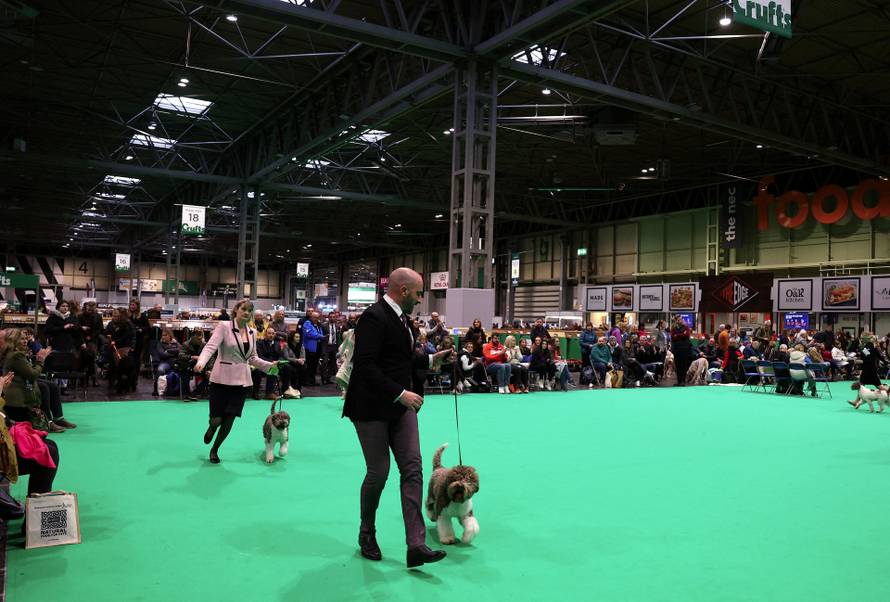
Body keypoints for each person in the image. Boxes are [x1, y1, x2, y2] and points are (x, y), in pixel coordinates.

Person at [341, 267, 452, 569]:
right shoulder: (373, 317)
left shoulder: (403, 320)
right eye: (418, 294)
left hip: (401, 409)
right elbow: (365, 366)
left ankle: (416, 545)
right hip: (370, 408)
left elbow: (399, 358)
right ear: (403, 291)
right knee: (378, 472)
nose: (419, 300)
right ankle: (367, 532)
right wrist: (400, 393)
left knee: (413, 469)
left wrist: (431, 358)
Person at [195, 299, 281, 464]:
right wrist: (201, 362)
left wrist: (270, 366)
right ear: (236, 310)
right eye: (244, 309)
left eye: (250, 310)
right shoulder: (224, 326)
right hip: (220, 379)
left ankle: (215, 450)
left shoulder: (252, 333)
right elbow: (210, 347)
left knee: (229, 419)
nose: (247, 313)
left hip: (241, 382)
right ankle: (212, 427)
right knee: (217, 420)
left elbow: (252, 357)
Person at [78, 300, 104, 386]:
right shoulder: (80, 316)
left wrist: (91, 336)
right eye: (88, 310)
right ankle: (82, 379)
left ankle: (94, 379)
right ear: (86, 308)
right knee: (82, 359)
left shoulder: (98, 316)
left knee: (92, 359)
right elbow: (78, 329)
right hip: (82, 340)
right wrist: (82, 339)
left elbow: (100, 329)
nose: (90, 312)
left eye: (92, 310)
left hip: (93, 340)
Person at [301, 311, 324, 386]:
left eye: (318, 317)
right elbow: (310, 334)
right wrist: (321, 336)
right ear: (311, 317)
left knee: (314, 365)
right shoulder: (307, 324)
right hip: (309, 348)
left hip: (318, 347)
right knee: (309, 365)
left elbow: (320, 333)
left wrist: (321, 336)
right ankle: (307, 381)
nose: (316, 319)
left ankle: (312, 380)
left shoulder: (318, 324)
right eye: (315, 317)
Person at [670, 316, 692, 386]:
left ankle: (683, 381)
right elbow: (673, 337)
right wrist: (682, 335)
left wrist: (677, 335)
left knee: (683, 365)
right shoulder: (674, 328)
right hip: (676, 349)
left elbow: (687, 335)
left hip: (684, 349)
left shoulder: (686, 327)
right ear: (676, 321)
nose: (681, 320)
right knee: (677, 365)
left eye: (681, 319)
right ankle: (679, 381)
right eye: (679, 319)